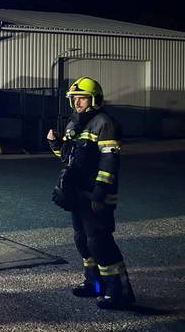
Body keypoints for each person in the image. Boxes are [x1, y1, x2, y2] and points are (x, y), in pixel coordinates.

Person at [48, 76, 135, 310]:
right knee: (82, 240)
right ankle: (93, 283)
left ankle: (119, 292)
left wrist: (100, 192)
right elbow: (68, 157)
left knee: (99, 241)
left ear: (94, 99)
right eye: (74, 98)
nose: (77, 102)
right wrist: (55, 144)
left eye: (82, 98)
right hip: (77, 193)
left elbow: (109, 161)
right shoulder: (74, 123)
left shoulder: (104, 123)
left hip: (96, 194)